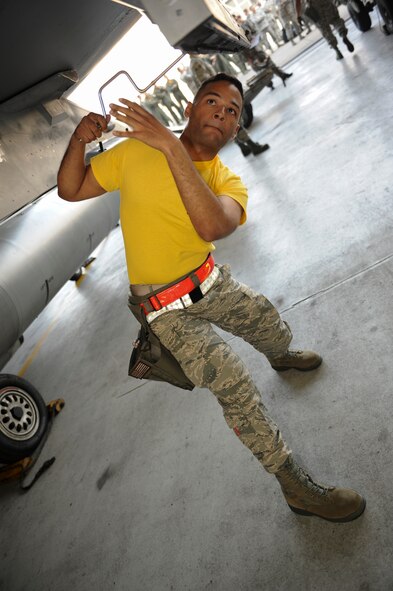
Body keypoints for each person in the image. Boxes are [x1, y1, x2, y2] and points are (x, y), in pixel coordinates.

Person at [57, 73, 365, 523]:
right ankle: (298, 488)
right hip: (164, 312)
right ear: (190, 108)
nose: (222, 112)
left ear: (235, 128)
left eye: (232, 111)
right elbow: (71, 188)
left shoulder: (228, 180)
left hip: (210, 282)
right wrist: (78, 140)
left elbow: (211, 227)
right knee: (236, 388)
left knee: (268, 322)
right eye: (213, 101)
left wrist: (169, 147)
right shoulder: (135, 152)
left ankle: (281, 355)